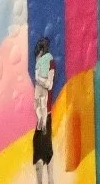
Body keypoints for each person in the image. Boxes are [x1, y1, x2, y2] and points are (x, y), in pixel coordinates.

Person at [32, 36, 55, 184]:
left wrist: (37, 78)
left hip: (46, 113)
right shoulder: (42, 63)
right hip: (42, 113)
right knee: (43, 151)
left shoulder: (50, 62)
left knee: (45, 150)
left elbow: (49, 84)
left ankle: (50, 181)